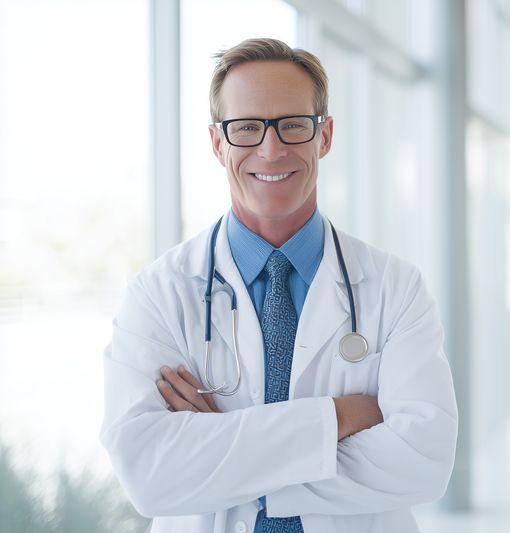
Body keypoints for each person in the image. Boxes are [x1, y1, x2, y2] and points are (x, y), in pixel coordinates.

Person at [100, 37, 458, 533]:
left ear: (324, 136)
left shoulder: (395, 288)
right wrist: (340, 416)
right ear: (217, 142)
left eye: (292, 125)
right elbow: (149, 478)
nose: (271, 149)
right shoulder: (159, 293)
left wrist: (217, 448)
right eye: (246, 128)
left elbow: (424, 460)